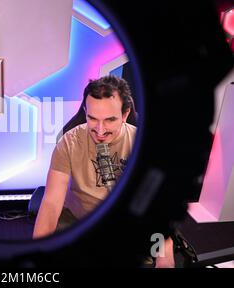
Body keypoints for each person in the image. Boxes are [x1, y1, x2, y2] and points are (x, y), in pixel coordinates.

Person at [32, 75, 174, 268]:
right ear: (85, 112)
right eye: (92, 118)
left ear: (125, 114)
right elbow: (51, 203)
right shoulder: (69, 142)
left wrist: (164, 257)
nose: (100, 130)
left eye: (109, 120)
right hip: (78, 220)